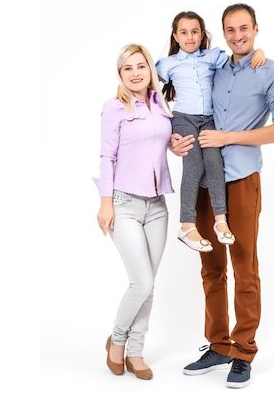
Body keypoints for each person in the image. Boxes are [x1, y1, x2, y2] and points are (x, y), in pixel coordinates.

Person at [172, 3, 274, 389]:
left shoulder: (269, 70)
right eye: (230, 29)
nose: (237, 35)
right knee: (210, 267)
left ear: (256, 29)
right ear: (222, 34)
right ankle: (219, 344)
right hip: (207, 180)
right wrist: (176, 141)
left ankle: (243, 351)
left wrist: (228, 138)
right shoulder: (215, 65)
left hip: (240, 179)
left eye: (244, 28)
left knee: (244, 265)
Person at [118, 11, 265, 253]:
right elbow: (142, 80)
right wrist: (122, 89)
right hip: (184, 119)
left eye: (195, 31)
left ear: (202, 34)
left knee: (215, 164)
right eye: (184, 32)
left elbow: (237, 62)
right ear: (175, 36)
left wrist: (258, 53)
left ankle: (220, 220)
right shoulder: (168, 64)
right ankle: (187, 224)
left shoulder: (212, 57)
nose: (190, 37)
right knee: (194, 166)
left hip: (209, 119)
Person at [93, 43, 175, 380]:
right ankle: (118, 340)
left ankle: (136, 351)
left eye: (141, 66)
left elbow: (163, 143)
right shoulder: (114, 107)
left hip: (158, 206)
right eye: (128, 68)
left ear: (150, 71)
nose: (136, 72)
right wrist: (105, 203)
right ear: (120, 74)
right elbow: (106, 156)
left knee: (149, 284)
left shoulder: (161, 105)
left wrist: (178, 144)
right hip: (124, 203)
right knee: (140, 282)